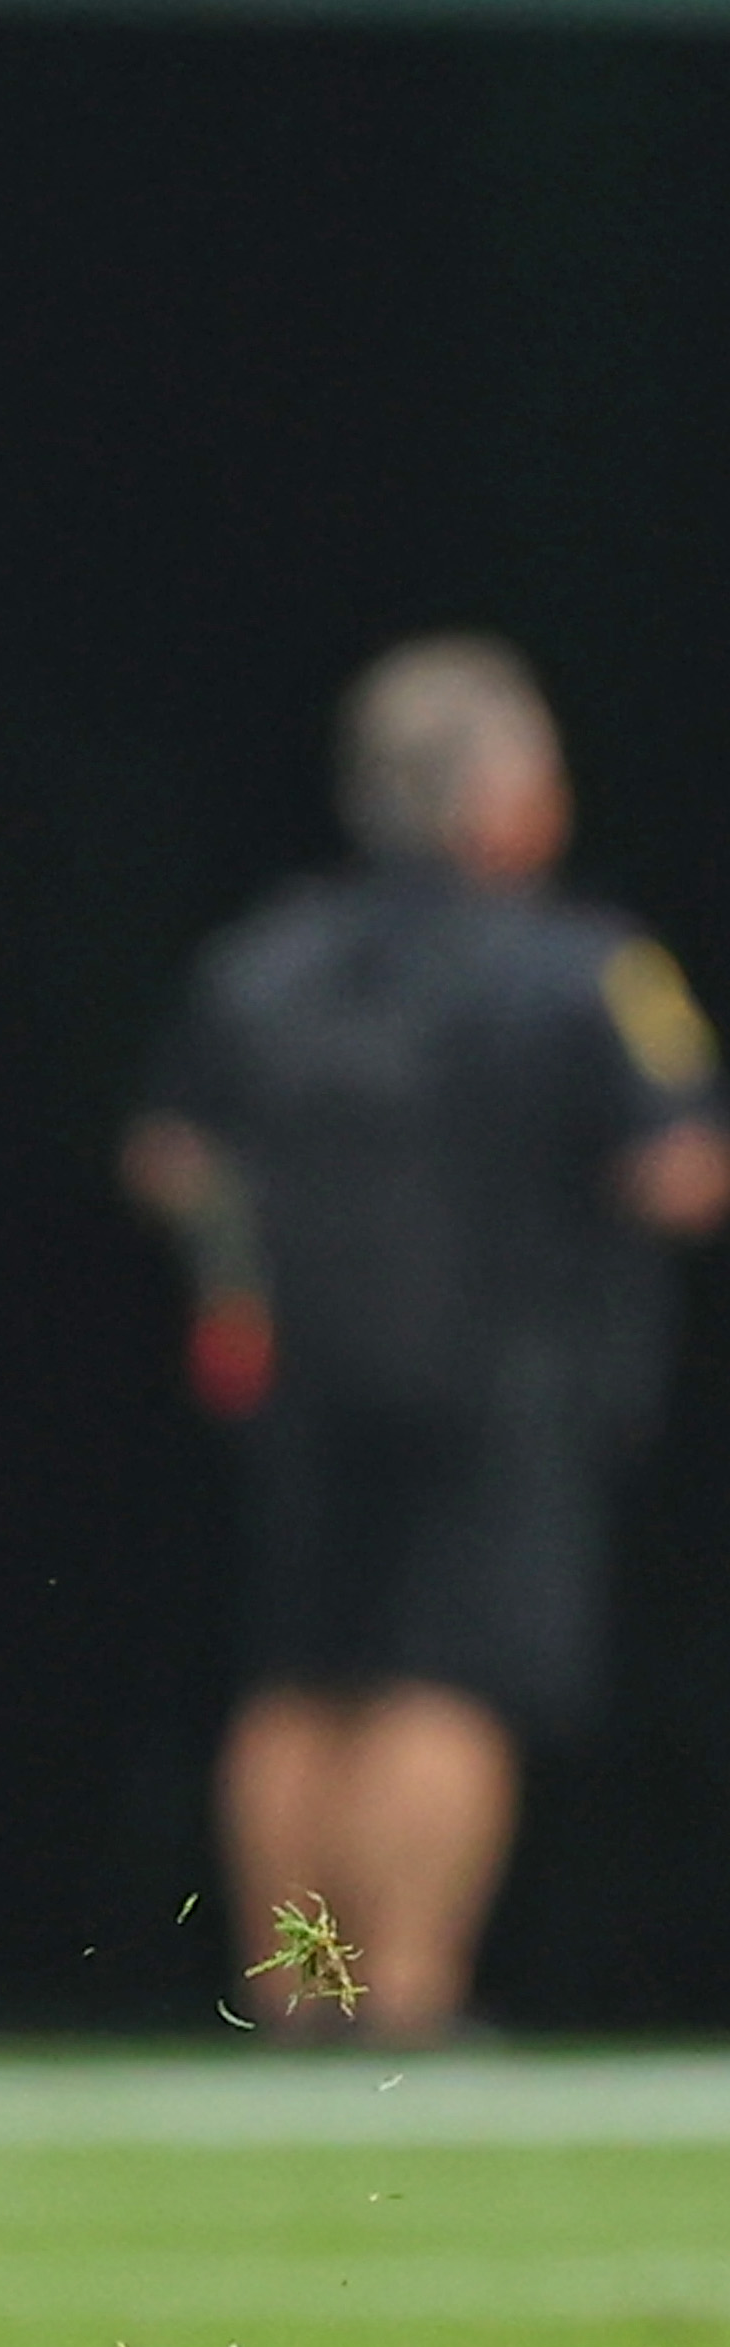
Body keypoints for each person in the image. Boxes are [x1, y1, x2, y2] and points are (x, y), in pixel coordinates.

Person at [127, 637, 725, 2043]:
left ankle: (287, 1994)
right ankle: (403, 1996)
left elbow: (169, 1153)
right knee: (450, 1676)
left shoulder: (261, 960)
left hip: (293, 1376)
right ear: (502, 804)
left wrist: (240, 1284)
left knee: (296, 1677)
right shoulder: (592, 966)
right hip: (507, 1382)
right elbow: (679, 1167)